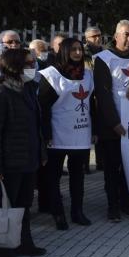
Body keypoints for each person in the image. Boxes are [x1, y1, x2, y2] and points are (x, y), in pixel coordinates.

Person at [0, 48, 47, 257]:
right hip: (9, 162)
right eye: (28, 64)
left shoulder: (29, 90)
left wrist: (41, 153)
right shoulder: (0, 95)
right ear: (15, 67)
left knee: (23, 204)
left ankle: (22, 242)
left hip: (28, 159)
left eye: (33, 63)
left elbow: (34, 125)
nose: (33, 67)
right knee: (4, 206)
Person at [94, 20, 129, 222]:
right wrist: (114, 123)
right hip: (112, 124)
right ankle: (113, 206)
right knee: (111, 167)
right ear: (116, 35)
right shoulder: (103, 59)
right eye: (126, 34)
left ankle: (128, 202)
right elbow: (102, 94)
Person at [39, 38, 95, 229]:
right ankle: (58, 213)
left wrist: (94, 130)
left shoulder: (87, 75)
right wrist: (46, 134)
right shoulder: (51, 74)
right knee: (54, 176)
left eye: (80, 49)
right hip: (57, 134)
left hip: (80, 132)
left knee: (77, 175)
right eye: (73, 50)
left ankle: (77, 211)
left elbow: (92, 105)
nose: (78, 53)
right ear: (64, 51)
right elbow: (43, 107)